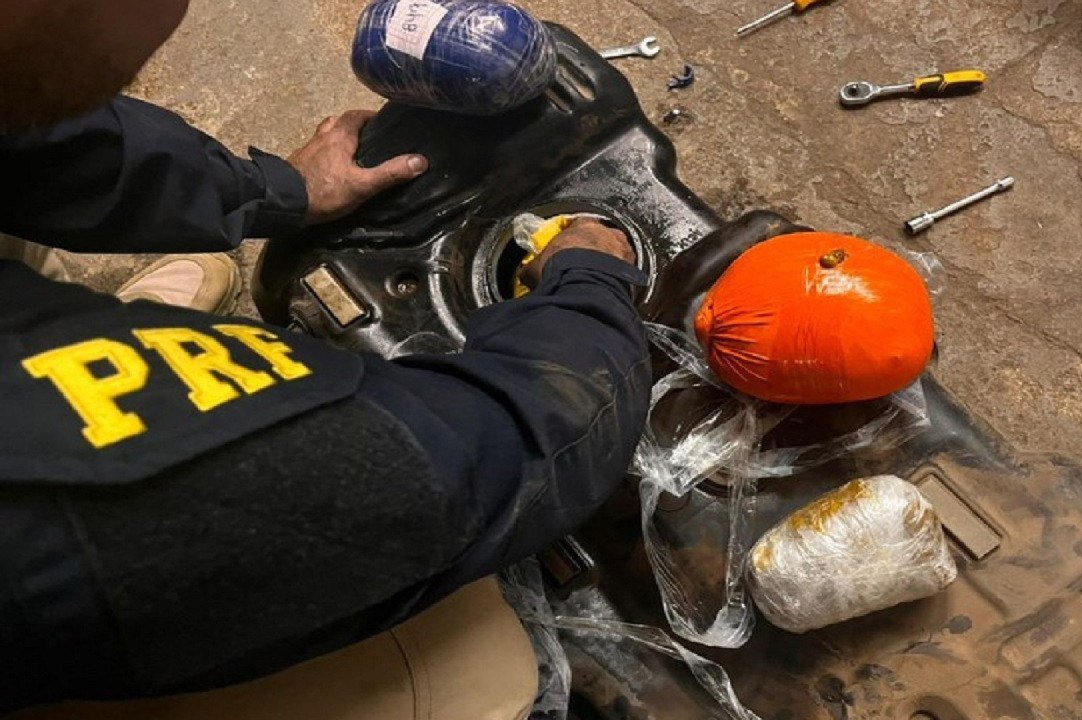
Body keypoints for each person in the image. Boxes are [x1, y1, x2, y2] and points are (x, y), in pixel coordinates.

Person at [0, 1, 651, 716]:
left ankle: (82, 323)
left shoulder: (19, 64)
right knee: (488, 669)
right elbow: (497, 454)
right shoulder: (62, 494)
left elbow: (28, 116)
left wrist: (272, 190)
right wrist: (592, 281)